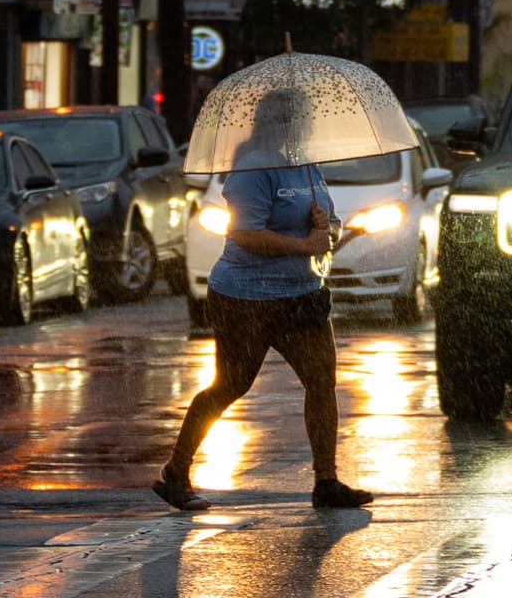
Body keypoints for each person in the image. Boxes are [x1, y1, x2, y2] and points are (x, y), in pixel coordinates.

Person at [151, 88, 374, 512]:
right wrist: (304, 245)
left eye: (305, 118)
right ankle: (176, 472)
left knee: (321, 381)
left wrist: (329, 228)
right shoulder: (253, 168)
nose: (304, 126)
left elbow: (325, 223)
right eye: (296, 119)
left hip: (301, 296)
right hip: (245, 296)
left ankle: (326, 482)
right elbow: (245, 234)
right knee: (231, 384)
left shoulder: (307, 164)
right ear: (274, 122)